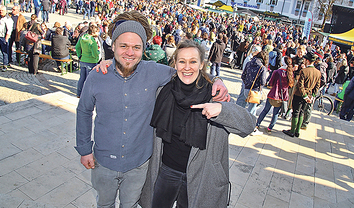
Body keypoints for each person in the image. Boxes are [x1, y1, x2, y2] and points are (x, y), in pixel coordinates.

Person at [75, 11, 229, 208]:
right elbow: (84, 111)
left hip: (138, 165)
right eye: (123, 46)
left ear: (143, 49)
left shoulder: (154, 71)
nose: (129, 52)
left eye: (136, 47)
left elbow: (188, 71)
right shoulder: (97, 76)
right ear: (112, 46)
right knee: (104, 204)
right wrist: (84, 149)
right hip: (103, 161)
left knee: (130, 205)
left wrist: (217, 80)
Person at [139, 40, 255, 208]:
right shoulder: (163, 91)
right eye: (182, 61)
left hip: (201, 175)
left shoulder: (215, 94)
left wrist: (222, 111)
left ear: (201, 64)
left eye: (193, 61)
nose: (187, 67)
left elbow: (249, 124)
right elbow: (134, 68)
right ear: (175, 64)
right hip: (167, 170)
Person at [283, 52, 321, 138]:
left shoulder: (304, 71)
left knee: (296, 112)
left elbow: (300, 85)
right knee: (302, 112)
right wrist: (312, 96)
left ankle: (292, 131)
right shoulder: (318, 72)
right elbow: (317, 86)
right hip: (309, 95)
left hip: (300, 94)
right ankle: (297, 131)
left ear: (307, 61)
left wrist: (304, 96)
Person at [254, 56, 294, 135]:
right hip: (282, 96)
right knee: (275, 113)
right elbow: (290, 86)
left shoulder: (277, 72)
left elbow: (271, 83)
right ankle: (270, 128)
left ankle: (257, 124)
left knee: (265, 110)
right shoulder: (290, 73)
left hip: (273, 94)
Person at [237, 50, 268, 118]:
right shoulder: (262, 67)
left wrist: (247, 83)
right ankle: (246, 123)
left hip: (246, 88)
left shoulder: (248, 63)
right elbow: (263, 82)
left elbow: (243, 76)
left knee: (252, 108)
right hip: (255, 91)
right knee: (251, 109)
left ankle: (252, 123)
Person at [75, 24, 100, 98]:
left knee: (82, 78)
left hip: (83, 60)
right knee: (90, 79)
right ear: (93, 32)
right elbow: (94, 53)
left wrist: (79, 55)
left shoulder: (82, 38)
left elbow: (77, 47)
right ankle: (89, 95)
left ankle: (79, 93)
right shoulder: (92, 41)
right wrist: (97, 54)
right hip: (91, 61)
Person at [0, 5, 14, 71]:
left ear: (5, 11)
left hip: (4, 37)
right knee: (3, 50)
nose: (0, 12)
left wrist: (6, 38)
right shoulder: (0, 18)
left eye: (2, 10)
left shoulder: (8, 19)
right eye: (0, 10)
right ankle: (6, 62)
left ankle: (5, 64)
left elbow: (9, 29)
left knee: (5, 51)